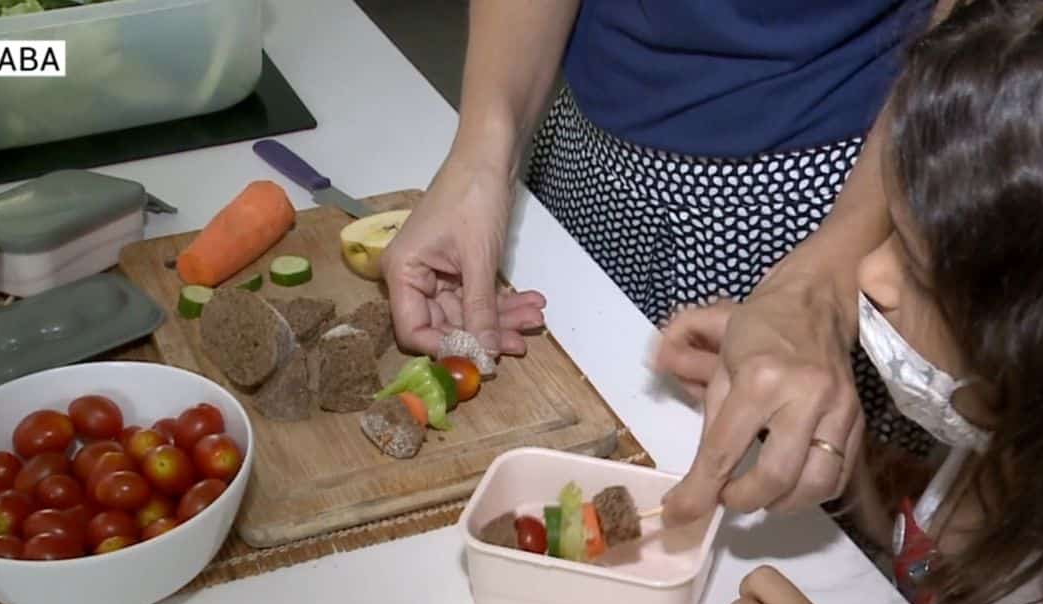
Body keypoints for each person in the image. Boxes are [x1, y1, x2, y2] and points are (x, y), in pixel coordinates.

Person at [383, 1, 963, 522]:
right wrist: (482, 152)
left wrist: (833, 270)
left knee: (789, 507)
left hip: (833, 199)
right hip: (586, 155)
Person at [699, 3, 1043, 604]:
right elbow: (938, 568)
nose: (868, 276)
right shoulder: (1009, 445)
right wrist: (843, 467)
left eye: (914, 264)